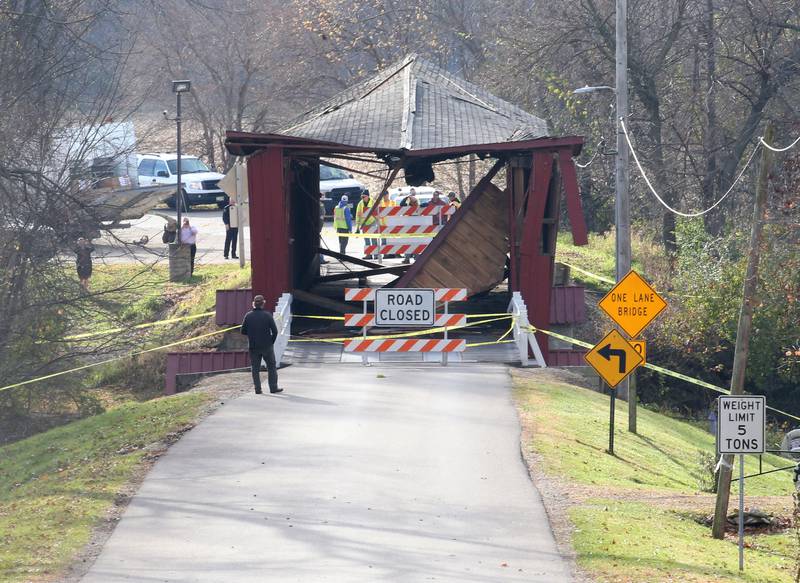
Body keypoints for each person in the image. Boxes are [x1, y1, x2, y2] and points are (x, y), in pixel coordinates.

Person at [240, 295, 282, 395]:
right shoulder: (267, 315)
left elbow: (242, 331)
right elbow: (275, 332)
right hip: (267, 345)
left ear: (253, 304)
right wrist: (271, 342)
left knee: (255, 368)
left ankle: (257, 389)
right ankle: (273, 387)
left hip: (253, 346)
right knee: (271, 367)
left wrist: (251, 334)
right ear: (263, 303)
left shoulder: (248, 315)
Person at [356, 191, 378, 259]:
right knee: (367, 240)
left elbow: (377, 212)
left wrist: (378, 222)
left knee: (374, 239)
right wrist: (357, 227)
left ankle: (376, 255)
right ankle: (368, 255)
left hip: (372, 222)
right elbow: (358, 215)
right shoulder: (360, 203)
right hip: (364, 224)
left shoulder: (373, 202)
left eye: (364, 196)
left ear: (368, 196)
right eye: (361, 197)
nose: (362, 198)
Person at [400, 195, 420, 264]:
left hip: (409, 228)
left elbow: (401, 204)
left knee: (409, 243)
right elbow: (401, 204)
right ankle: (415, 257)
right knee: (414, 243)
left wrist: (406, 197)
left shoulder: (409, 207)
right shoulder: (417, 208)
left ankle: (408, 258)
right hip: (414, 228)